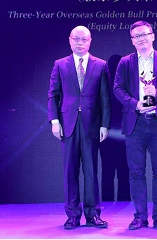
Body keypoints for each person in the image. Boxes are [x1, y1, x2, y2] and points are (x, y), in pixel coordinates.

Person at [114, 21, 157, 230]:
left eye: (144, 34)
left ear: (152, 36)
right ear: (132, 41)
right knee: (136, 172)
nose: (141, 39)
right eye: (136, 36)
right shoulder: (125, 63)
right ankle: (140, 216)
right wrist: (135, 104)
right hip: (135, 123)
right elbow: (117, 89)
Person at [48, 25, 110, 230]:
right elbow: (53, 95)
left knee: (91, 172)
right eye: (76, 39)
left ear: (90, 41)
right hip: (68, 125)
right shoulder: (60, 64)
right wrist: (54, 121)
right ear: (70, 40)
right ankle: (73, 215)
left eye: (84, 39)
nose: (80, 43)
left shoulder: (100, 65)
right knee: (70, 171)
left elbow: (105, 98)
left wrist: (105, 124)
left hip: (92, 125)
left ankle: (93, 214)